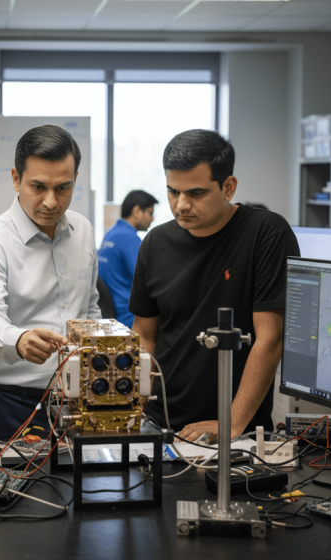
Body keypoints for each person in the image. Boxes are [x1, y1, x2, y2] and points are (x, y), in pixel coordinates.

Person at [129, 130, 300, 443]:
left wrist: (230, 424)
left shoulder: (266, 233)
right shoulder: (155, 242)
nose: (181, 205)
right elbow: (145, 336)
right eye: (173, 192)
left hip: (235, 432)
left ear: (228, 187)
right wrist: (133, 412)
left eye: (196, 193)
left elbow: (270, 338)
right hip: (160, 422)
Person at [0, 125, 101, 438]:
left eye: (63, 188)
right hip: (11, 403)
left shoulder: (82, 230)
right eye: (38, 187)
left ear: (75, 179)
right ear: (16, 179)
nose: (51, 202)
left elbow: (90, 307)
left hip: (78, 398)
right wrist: (19, 340)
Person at [98, 189, 159, 327]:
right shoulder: (129, 238)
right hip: (128, 317)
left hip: (111, 313)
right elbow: (148, 280)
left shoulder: (111, 233)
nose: (152, 219)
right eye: (150, 213)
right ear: (137, 211)